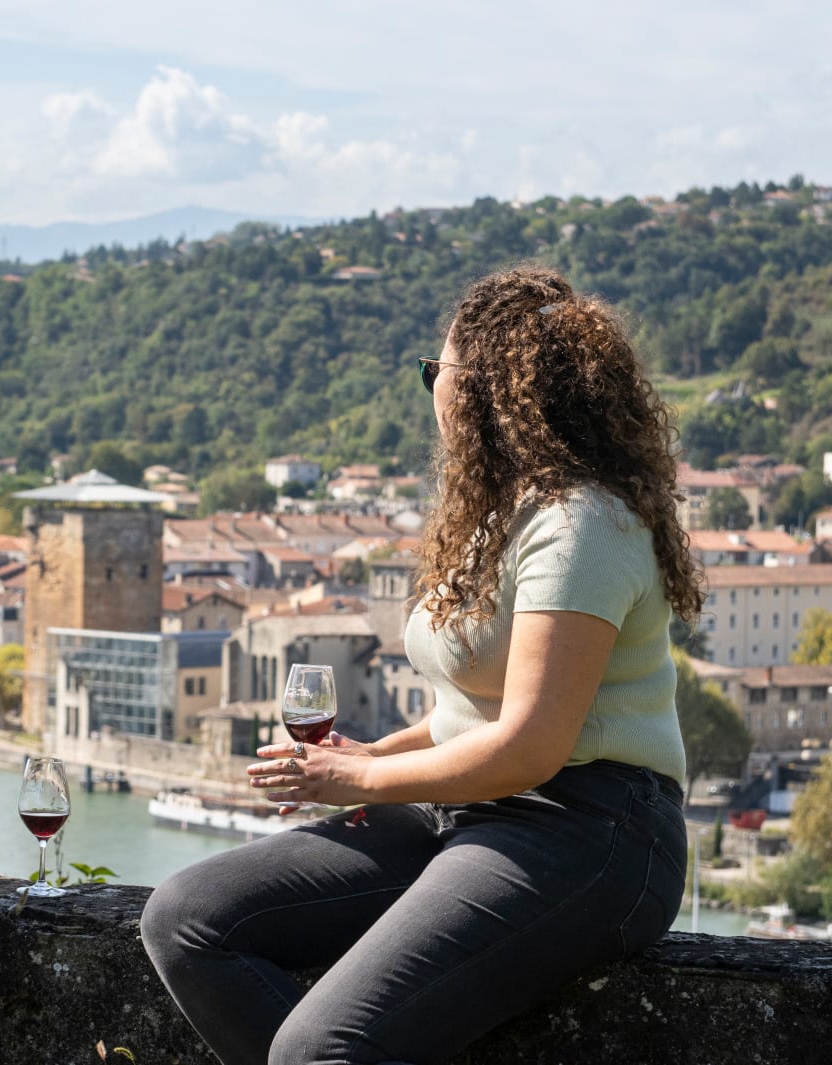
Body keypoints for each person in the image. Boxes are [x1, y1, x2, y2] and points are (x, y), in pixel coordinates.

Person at [141, 264, 701, 1065]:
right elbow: (465, 717)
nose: (432, 387)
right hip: (467, 803)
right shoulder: (503, 515)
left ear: (482, 389)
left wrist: (363, 779)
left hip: (591, 829)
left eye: (435, 369)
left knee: (320, 1047)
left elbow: (532, 744)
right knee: (187, 921)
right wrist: (372, 754)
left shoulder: (584, 525)